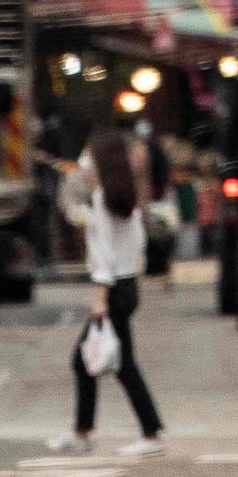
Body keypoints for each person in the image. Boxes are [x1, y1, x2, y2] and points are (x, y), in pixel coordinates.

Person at [54, 127, 165, 456]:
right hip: (127, 285)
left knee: (86, 361)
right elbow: (127, 244)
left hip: (114, 289)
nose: (84, 165)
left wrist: (100, 296)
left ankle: (91, 432)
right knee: (120, 363)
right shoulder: (124, 198)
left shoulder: (107, 199)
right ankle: (133, 431)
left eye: (89, 157)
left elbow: (103, 252)